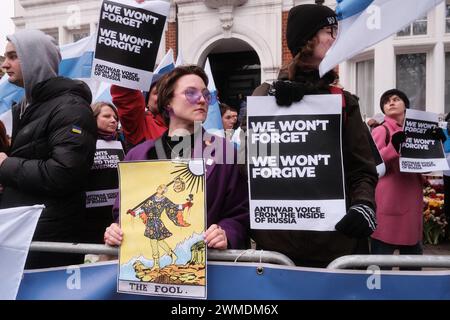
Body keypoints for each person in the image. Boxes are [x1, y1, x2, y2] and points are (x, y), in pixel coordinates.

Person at [251, 4, 378, 267]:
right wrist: (270, 104)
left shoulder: (343, 101)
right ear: (307, 39)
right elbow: (254, 164)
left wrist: (363, 204)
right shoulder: (264, 96)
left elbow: (363, 169)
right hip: (278, 247)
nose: (335, 38)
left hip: (335, 244)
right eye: (329, 31)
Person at [104, 65, 250, 251]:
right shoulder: (138, 156)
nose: (202, 100)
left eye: (205, 95)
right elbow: (124, 213)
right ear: (168, 103)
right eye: (190, 93)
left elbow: (240, 212)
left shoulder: (224, 151)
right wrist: (116, 230)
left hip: (206, 266)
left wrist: (226, 232)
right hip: (149, 267)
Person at [0, 29, 97, 269]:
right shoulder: (27, 106)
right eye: (4, 58)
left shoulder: (70, 107)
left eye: (13, 56)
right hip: (25, 236)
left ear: (35, 59)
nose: (5, 65)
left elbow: (64, 173)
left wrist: (5, 165)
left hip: (49, 242)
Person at [370, 89, 424, 261]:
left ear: (405, 105)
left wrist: (435, 146)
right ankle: (377, 288)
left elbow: (426, 166)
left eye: (396, 99)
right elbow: (373, 163)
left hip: (411, 199)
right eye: (386, 101)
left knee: (412, 264)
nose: (391, 103)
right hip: (389, 200)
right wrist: (393, 147)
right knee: (380, 263)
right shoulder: (381, 130)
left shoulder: (416, 131)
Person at [82, 102, 124, 244]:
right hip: (89, 216)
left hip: (115, 215)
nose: (113, 120)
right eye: (107, 116)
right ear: (93, 118)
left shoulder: (123, 143)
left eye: (115, 117)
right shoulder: (81, 143)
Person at [127, 184, 192, 270]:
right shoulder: (151, 198)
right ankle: (173, 255)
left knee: (154, 242)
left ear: (164, 191)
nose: (159, 188)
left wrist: (185, 205)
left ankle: (156, 264)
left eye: (162, 188)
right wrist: (133, 212)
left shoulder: (165, 200)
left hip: (156, 223)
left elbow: (174, 207)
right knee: (159, 241)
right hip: (150, 223)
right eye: (159, 187)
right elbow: (143, 208)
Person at [111, 73, 167, 150]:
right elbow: (125, 93)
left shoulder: (185, 122)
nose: (163, 97)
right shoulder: (140, 124)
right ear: (146, 101)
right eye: (157, 93)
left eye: (168, 93)